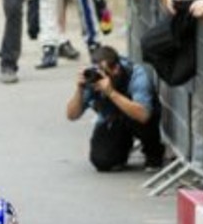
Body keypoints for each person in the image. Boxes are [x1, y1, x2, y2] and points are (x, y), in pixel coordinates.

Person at [65, 44, 162, 172]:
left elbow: (143, 115)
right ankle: (120, 152)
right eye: (97, 70)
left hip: (137, 119)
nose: (100, 76)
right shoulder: (93, 78)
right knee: (102, 161)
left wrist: (111, 92)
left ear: (116, 68)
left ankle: (153, 153)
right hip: (112, 118)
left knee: (141, 115)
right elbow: (72, 115)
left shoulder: (136, 75)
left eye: (104, 72)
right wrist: (79, 89)